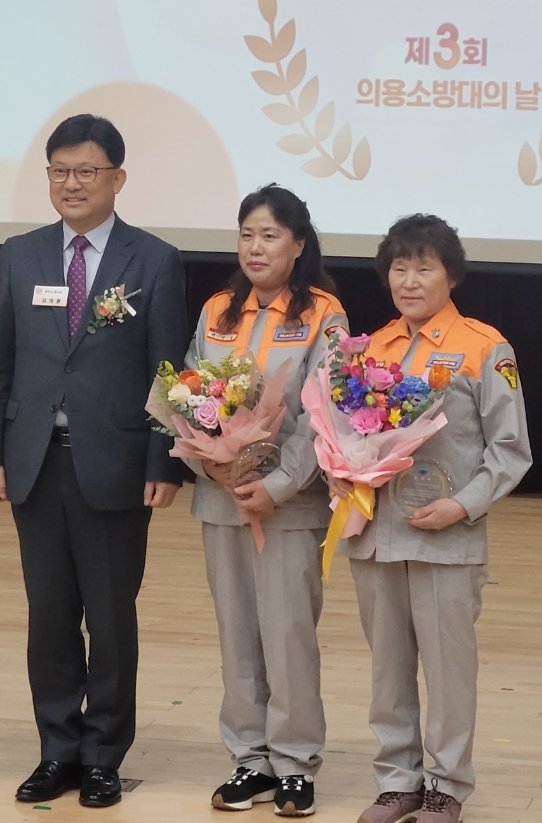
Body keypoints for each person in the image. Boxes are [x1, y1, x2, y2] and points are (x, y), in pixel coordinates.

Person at [0, 114, 189, 809]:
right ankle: (57, 750)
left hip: (116, 463)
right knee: (49, 615)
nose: (72, 183)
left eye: (86, 171)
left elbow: (168, 371)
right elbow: (2, 362)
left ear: (117, 179)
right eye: (60, 171)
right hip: (35, 460)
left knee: (111, 617)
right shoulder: (21, 254)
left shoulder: (153, 260)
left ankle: (102, 756)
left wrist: (164, 462)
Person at [336, 215, 531, 823]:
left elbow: (510, 450)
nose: (409, 280)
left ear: (452, 275)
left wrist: (463, 505)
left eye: (424, 268)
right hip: (377, 535)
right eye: (399, 268)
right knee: (387, 667)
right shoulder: (369, 348)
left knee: (448, 669)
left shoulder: (485, 346)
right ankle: (398, 780)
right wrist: (340, 471)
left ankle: (447, 785)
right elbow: (344, 434)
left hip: (448, 536)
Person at [184, 185, 348, 818]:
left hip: (289, 506)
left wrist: (277, 486)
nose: (256, 247)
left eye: (270, 235)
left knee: (287, 636)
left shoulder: (324, 315)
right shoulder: (217, 310)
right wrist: (209, 463)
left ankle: (296, 764)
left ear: (298, 244)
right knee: (237, 636)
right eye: (247, 234)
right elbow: (189, 397)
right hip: (222, 501)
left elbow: (325, 416)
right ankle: (250, 759)